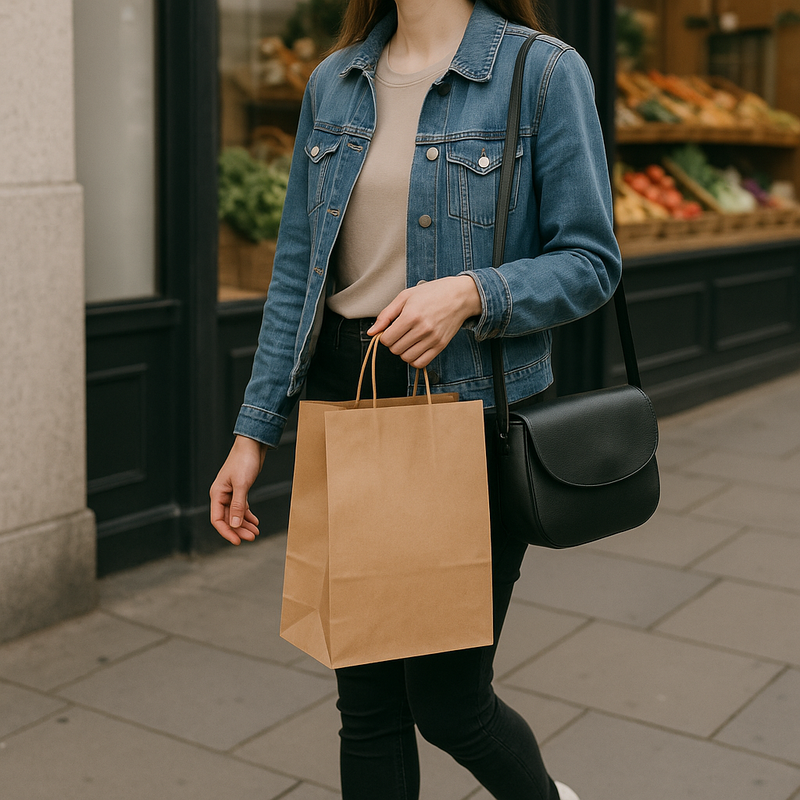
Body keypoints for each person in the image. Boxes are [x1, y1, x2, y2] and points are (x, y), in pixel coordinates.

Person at [210, 0, 621, 797]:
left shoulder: (540, 72)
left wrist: (472, 292)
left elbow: (591, 261)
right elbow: (297, 272)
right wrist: (254, 429)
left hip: (466, 410)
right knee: (364, 700)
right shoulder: (336, 82)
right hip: (347, 397)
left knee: (449, 703)